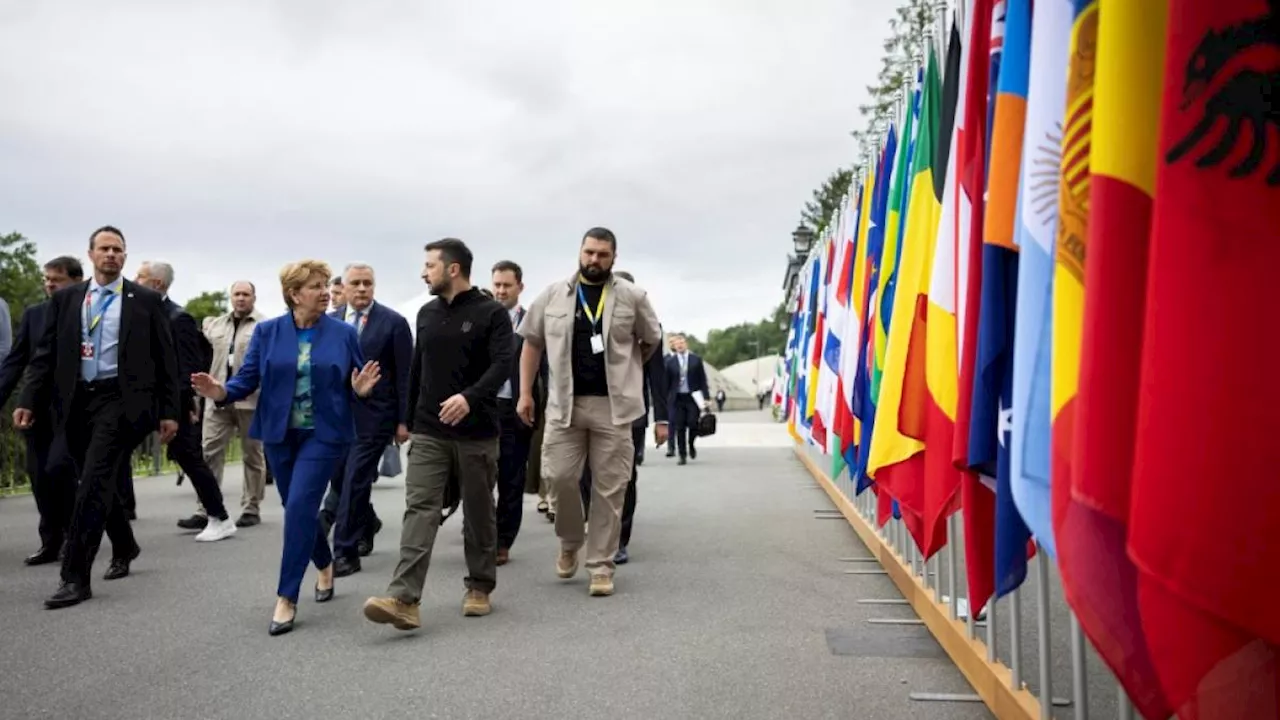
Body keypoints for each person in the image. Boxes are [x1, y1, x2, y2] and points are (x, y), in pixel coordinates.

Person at [192, 259, 382, 636]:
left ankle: (287, 596)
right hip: (279, 435)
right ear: (294, 294)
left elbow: (358, 380)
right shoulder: (268, 332)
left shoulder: (343, 333)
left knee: (298, 506)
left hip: (324, 435)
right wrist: (222, 392)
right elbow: (247, 378)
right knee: (297, 509)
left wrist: (359, 392)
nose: (326, 292)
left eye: (327, 285)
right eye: (316, 286)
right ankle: (324, 563)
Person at [15, 226, 181, 609]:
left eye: (118, 249)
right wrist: (29, 398)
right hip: (74, 402)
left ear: (124, 256)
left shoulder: (145, 301)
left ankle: (75, 577)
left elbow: (166, 361)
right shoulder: (69, 299)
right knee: (72, 475)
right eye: (104, 248)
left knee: (93, 481)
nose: (111, 255)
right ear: (90, 254)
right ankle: (124, 542)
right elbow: (45, 356)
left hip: (120, 402)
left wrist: (170, 411)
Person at [362, 238, 512, 630]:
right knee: (420, 510)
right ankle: (404, 598)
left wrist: (470, 397)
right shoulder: (426, 314)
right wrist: (405, 419)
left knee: (479, 513)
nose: (423, 272)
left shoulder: (492, 313)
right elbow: (417, 369)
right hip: (429, 430)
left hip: (477, 432)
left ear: (453, 269)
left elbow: (501, 366)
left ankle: (479, 586)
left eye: (430, 265)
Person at [516, 227, 662, 597]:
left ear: (614, 258)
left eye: (602, 254)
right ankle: (569, 540)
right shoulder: (553, 295)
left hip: (614, 409)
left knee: (610, 490)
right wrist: (524, 394)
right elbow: (531, 343)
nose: (594, 260)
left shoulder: (633, 296)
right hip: (564, 405)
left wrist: (626, 371)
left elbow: (651, 340)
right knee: (559, 477)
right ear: (580, 252)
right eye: (589, 252)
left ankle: (600, 566)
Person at [136, 261, 237, 543]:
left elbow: (188, 368)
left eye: (139, 277)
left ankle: (219, 516)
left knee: (191, 459)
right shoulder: (139, 314)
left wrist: (182, 406)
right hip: (139, 400)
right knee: (110, 454)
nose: (133, 281)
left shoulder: (177, 318)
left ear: (156, 284)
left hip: (172, 404)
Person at [323, 262, 412, 577]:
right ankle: (368, 522)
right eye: (356, 283)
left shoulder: (393, 323)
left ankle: (344, 552)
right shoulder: (328, 322)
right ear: (343, 287)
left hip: (375, 417)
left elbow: (405, 376)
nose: (362, 289)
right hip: (335, 417)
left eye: (368, 283)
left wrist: (404, 421)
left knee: (354, 478)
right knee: (338, 478)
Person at [577, 271, 668, 565]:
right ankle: (596, 526)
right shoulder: (590, 321)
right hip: (590, 407)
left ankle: (618, 539)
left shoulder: (648, 327)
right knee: (586, 473)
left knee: (623, 476)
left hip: (630, 411)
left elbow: (657, 376)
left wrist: (662, 419)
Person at [0, 255, 84, 565]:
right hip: (37, 408)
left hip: (77, 407)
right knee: (38, 475)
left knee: (60, 469)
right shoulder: (35, 314)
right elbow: (16, 361)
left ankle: (76, 536)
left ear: (75, 280)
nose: (49, 284)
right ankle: (51, 540)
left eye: (56, 279)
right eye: (46, 279)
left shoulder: (88, 313)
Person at [195, 280, 268, 527]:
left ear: (254, 297)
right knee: (209, 451)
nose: (241, 298)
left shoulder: (264, 326)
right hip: (217, 398)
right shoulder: (215, 324)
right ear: (230, 297)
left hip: (251, 399)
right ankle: (207, 508)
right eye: (236, 294)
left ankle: (251, 507)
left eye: (246, 294)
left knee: (253, 455)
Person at [664, 333, 710, 465]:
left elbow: (703, 380)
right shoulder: (670, 362)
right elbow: (666, 382)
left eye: (681, 343)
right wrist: (666, 399)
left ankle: (691, 444)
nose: (679, 345)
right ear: (675, 346)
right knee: (680, 426)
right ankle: (682, 455)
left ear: (686, 344)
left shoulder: (696, 360)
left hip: (693, 397)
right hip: (677, 398)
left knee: (692, 423)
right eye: (677, 344)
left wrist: (706, 397)